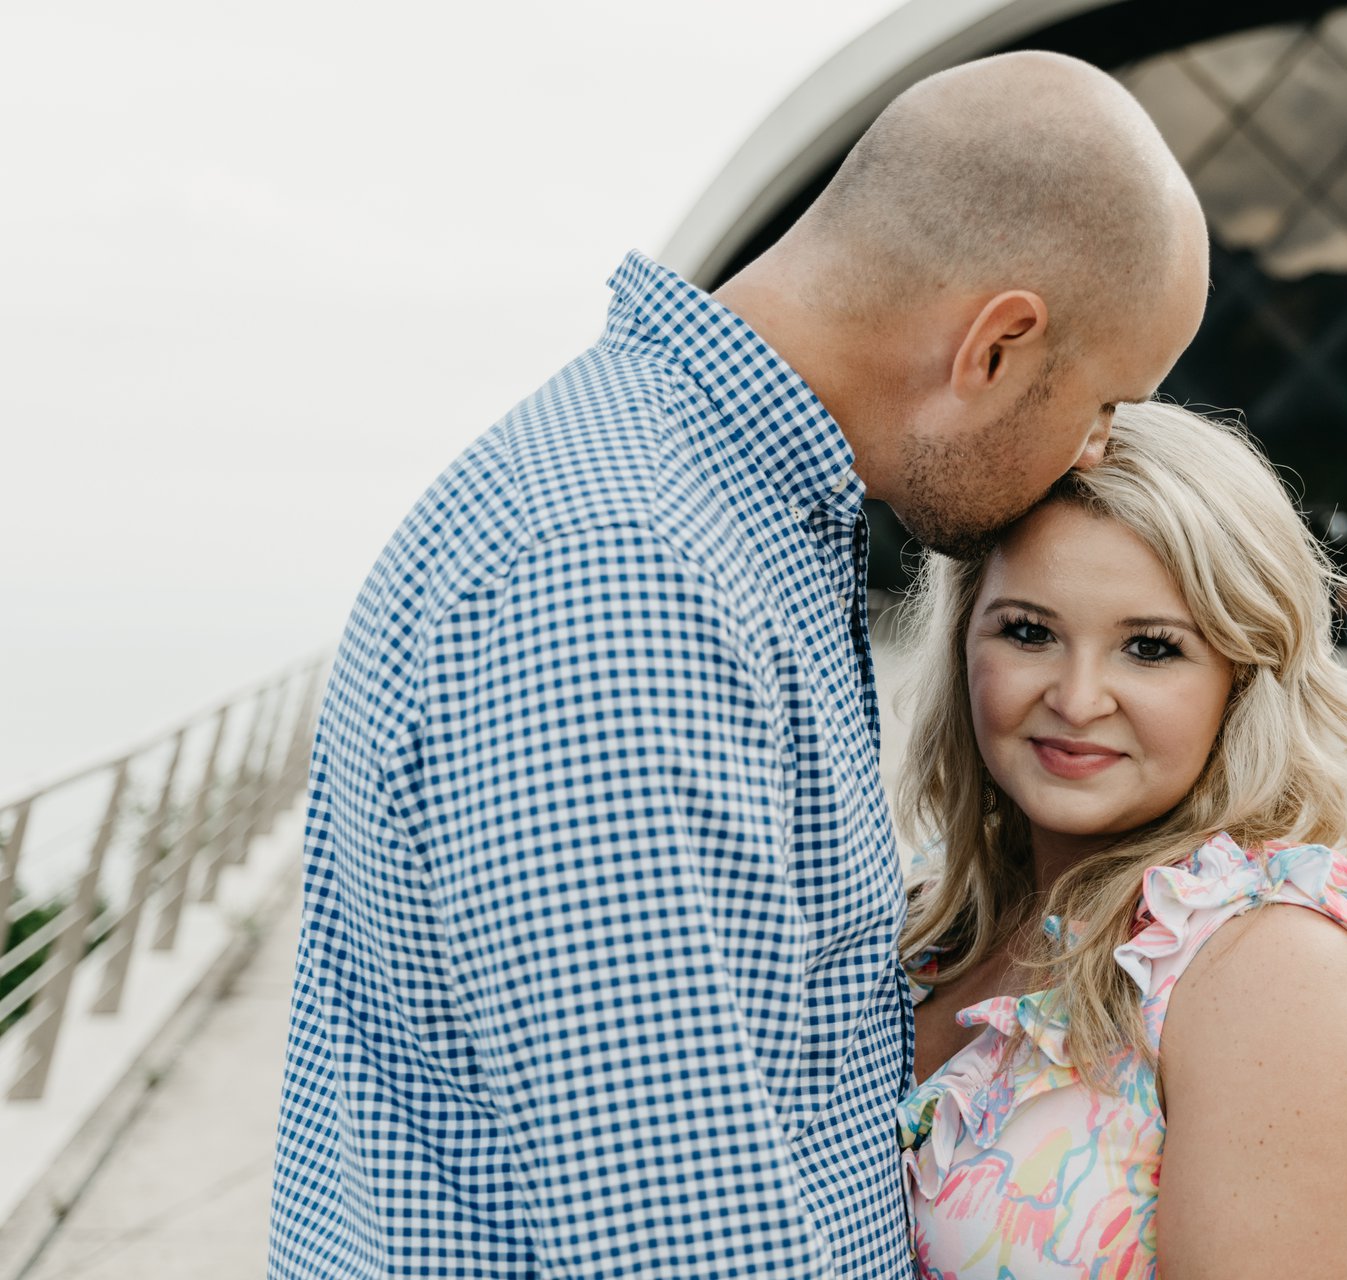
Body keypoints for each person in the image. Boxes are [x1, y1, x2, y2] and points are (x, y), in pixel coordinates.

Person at [269, 52, 1210, 1280]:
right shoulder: (622, 572)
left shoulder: (704, 519)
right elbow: (673, 1236)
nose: (1095, 451)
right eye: (1105, 403)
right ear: (997, 345)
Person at [894, 403, 1347, 1278]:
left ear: (1244, 674)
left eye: (1151, 648)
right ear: (964, 640)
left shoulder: (1279, 976)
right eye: (1029, 632)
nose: (1077, 700)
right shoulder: (924, 923)